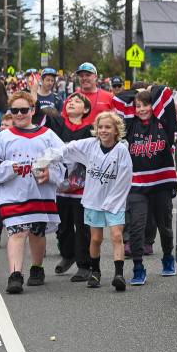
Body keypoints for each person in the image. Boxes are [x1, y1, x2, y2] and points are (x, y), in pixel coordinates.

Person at [0, 91, 64, 294]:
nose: (19, 114)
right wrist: (9, 168)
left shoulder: (47, 135)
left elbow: (63, 158)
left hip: (40, 193)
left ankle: (37, 268)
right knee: (17, 231)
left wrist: (50, 173)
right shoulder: (4, 137)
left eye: (24, 110)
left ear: (32, 110)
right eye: (15, 110)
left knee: (36, 232)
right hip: (13, 193)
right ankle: (15, 275)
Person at [45, 111, 132, 291]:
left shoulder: (122, 150)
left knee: (116, 236)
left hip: (114, 201)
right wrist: (49, 157)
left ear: (116, 130)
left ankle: (119, 274)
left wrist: (113, 201)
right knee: (96, 238)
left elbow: (125, 178)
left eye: (108, 127)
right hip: (93, 201)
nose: (103, 130)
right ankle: (96, 271)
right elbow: (70, 148)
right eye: (100, 127)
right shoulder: (90, 146)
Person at [113, 85, 177, 284]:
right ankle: (138, 267)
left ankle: (168, 257)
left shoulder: (162, 122)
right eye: (138, 106)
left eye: (146, 105)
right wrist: (137, 93)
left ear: (153, 106)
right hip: (137, 183)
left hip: (162, 182)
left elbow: (165, 92)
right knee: (136, 226)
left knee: (164, 226)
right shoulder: (130, 125)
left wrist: (149, 89)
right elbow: (118, 100)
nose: (141, 109)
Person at [50, 92, 93, 281]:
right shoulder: (58, 126)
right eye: (70, 101)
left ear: (86, 109)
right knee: (63, 225)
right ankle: (68, 255)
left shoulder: (90, 129)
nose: (72, 103)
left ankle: (85, 265)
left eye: (78, 101)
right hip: (60, 186)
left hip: (82, 188)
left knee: (82, 227)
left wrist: (77, 180)